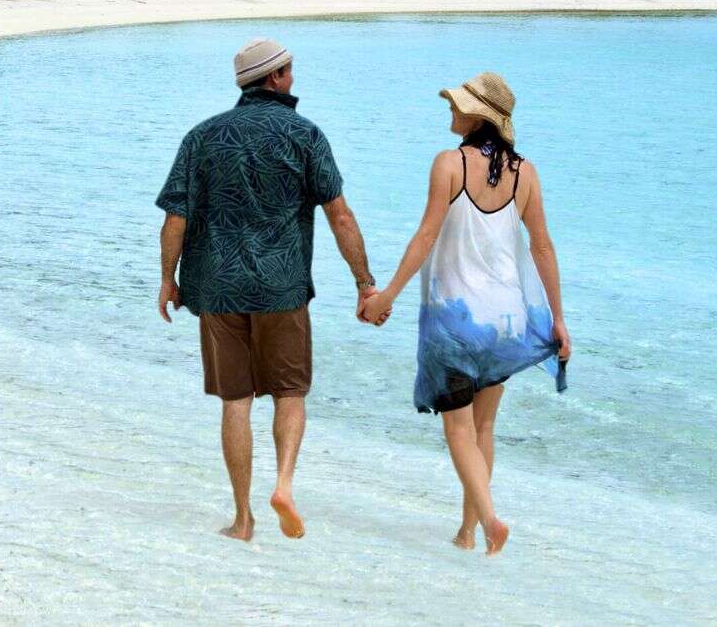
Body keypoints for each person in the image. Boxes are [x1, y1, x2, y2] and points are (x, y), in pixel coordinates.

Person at [156, 37, 377, 543]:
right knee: (290, 393)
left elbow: (176, 219)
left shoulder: (202, 137)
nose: (293, 78)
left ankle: (242, 518)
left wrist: (168, 279)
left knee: (236, 400)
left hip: (217, 289)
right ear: (275, 78)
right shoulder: (305, 136)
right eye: (289, 70)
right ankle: (283, 484)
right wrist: (364, 284)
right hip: (282, 288)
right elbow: (339, 215)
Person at [361, 71, 572, 555]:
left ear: (478, 116)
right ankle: (467, 531)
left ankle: (492, 521)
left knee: (458, 428)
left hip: (455, 321)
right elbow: (542, 248)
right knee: (484, 428)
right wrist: (558, 319)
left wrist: (388, 294)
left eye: (457, 105)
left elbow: (426, 236)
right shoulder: (527, 173)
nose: (450, 111)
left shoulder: (448, 164)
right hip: (505, 322)